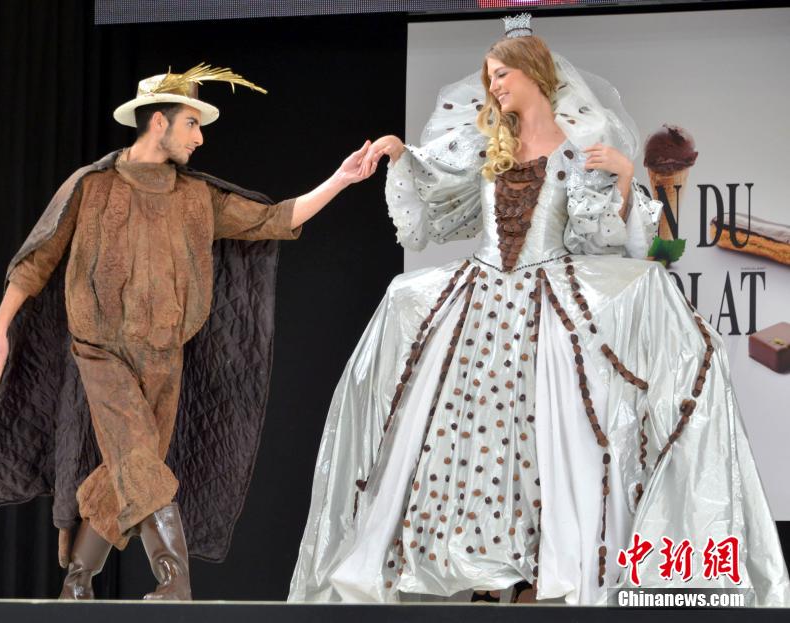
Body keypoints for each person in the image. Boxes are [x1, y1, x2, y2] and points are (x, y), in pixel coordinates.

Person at [289, 16, 790, 606]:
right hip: (476, 308)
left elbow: (608, 240)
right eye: (490, 77)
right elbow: (431, 200)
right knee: (468, 442)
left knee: (542, 441)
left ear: (533, 72)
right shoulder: (486, 147)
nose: (494, 86)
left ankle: (532, 576)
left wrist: (625, 178)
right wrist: (401, 155)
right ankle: (480, 572)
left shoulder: (577, 152)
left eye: (502, 74)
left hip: (547, 306)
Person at [0, 64, 381, 600]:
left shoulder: (195, 198)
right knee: (138, 459)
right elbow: (37, 259)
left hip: (165, 356)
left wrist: (341, 179)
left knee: (129, 469)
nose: (200, 137)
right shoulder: (91, 187)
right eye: (192, 123)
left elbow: (273, 220)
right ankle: (176, 581)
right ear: (158, 122)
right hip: (101, 352)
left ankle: (76, 584)